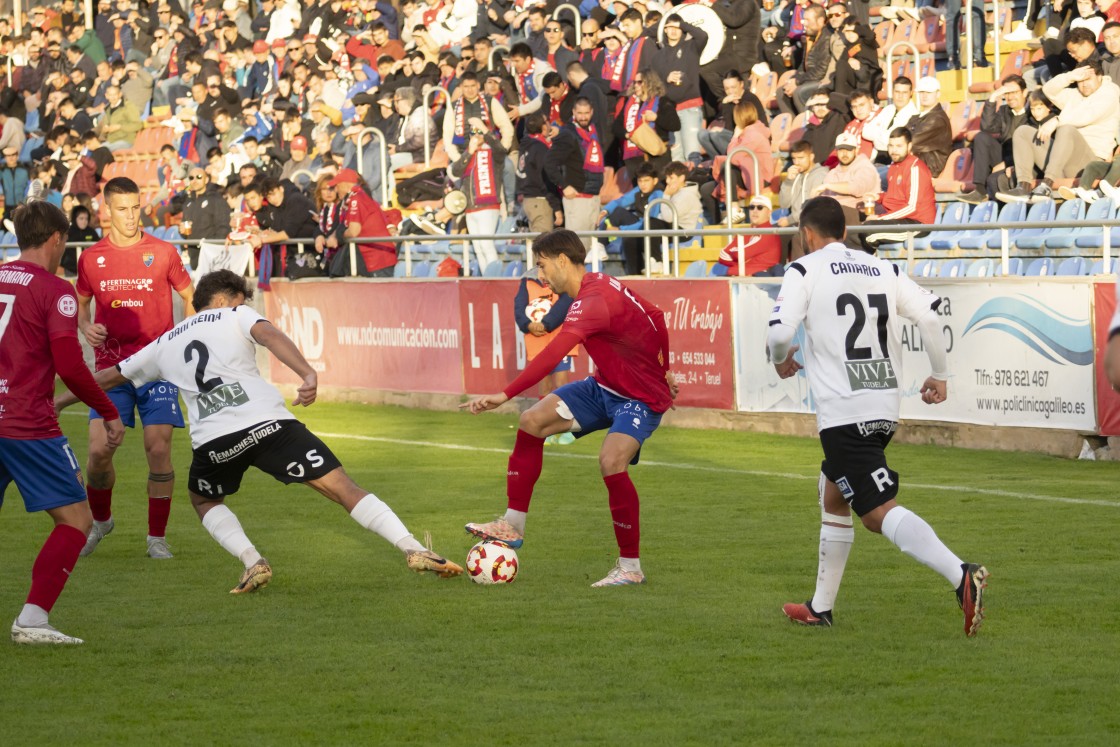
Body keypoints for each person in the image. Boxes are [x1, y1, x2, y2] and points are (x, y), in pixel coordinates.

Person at [57, 270, 462, 593]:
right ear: (224, 299)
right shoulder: (236, 315)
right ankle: (412, 547)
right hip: (270, 425)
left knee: (201, 499)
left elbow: (109, 376)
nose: (245, 306)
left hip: (215, 442)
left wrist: (58, 401)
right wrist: (306, 371)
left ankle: (252, 561)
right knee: (343, 487)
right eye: (242, 299)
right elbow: (267, 335)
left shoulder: (162, 343)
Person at [767, 195, 989, 637]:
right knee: (834, 496)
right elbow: (929, 315)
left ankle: (961, 574)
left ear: (807, 235)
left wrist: (779, 360)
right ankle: (820, 607)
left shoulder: (804, 270)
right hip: (883, 406)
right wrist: (940, 374)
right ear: (845, 232)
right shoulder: (883, 268)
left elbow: (778, 333)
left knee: (873, 513)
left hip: (843, 412)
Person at [461, 229, 677, 587]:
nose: (541, 276)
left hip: (640, 398)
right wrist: (665, 365)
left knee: (611, 461)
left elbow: (553, 352)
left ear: (562, 260)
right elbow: (655, 315)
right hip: (602, 386)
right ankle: (512, 524)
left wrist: (505, 394)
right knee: (532, 421)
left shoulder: (592, 301)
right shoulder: (598, 284)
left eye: (543, 266)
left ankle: (630, 568)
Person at [1, 200, 125, 645]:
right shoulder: (55, 289)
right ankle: (32, 619)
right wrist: (109, 411)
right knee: (76, 519)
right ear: (56, 238)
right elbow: (71, 368)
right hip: (26, 422)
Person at [75, 177, 194, 560]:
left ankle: (156, 538)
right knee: (98, 453)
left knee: (157, 448)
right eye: (122, 209)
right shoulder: (92, 257)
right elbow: (80, 300)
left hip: (157, 367)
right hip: (111, 368)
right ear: (106, 210)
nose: (130, 216)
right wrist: (85, 325)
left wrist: (182, 336)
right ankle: (102, 521)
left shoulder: (162, 252)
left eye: (135, 208)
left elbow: (191, 298)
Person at [512, 269, 577, 445]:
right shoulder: (527, 282)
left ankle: (569, 427)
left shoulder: (561, 277)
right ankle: (546, 427)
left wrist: (546, 324)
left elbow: (565, 304)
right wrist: (528, 325)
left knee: (562, 384)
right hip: (537, 341)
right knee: (545, 385)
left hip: (560, 338)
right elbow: (519, 308)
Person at [861, 128, 935, 252]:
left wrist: (880, 218)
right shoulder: (894, 166)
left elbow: (912, 207)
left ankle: (872, 267)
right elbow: (896, 196)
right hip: (899, 219)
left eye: (899, 146)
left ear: (909, 146)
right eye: (891, 146)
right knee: (856, 229)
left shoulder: (915, 168)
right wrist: (878, 197)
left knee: (868, 231)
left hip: (918, 224)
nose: (894, 150)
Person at [545, 97, 605, 250]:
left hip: (594, 196)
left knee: (592, 248)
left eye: (586, 113)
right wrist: (564, 186)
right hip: (577, 198)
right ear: (573, 112)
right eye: (580, 113)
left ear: (591, 112)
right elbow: (549, 163)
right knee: (578, 248)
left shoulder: (594, 131)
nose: (583, 117)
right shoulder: (568, 134)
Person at [717, 195, 782, 276]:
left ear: (769, 213)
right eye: (751, 207)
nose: (755, 211)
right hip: (741, 277)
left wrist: (737, 262)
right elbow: (722, 255)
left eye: (760, 207)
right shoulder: (745, 232)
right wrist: (739, 264)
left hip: (760, 281)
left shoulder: (770, 233)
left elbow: (740, 254)